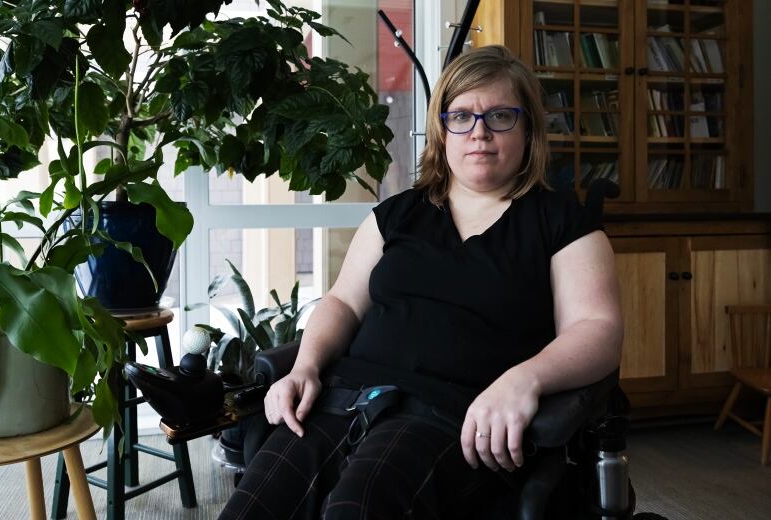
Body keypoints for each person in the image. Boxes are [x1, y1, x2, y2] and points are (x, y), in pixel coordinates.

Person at [219, 45, 622, 520]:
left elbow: (598, 328)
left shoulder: (560, 222)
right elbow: (344, 303)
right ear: (442, 129)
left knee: (358, 506)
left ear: (528, 127)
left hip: (453, 414)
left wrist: (523, 380)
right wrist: (305, 365)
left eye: (499, 116)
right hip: (345, 397)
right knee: (255, 504)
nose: (480, 133)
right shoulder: (397, 214)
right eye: (462, 117)